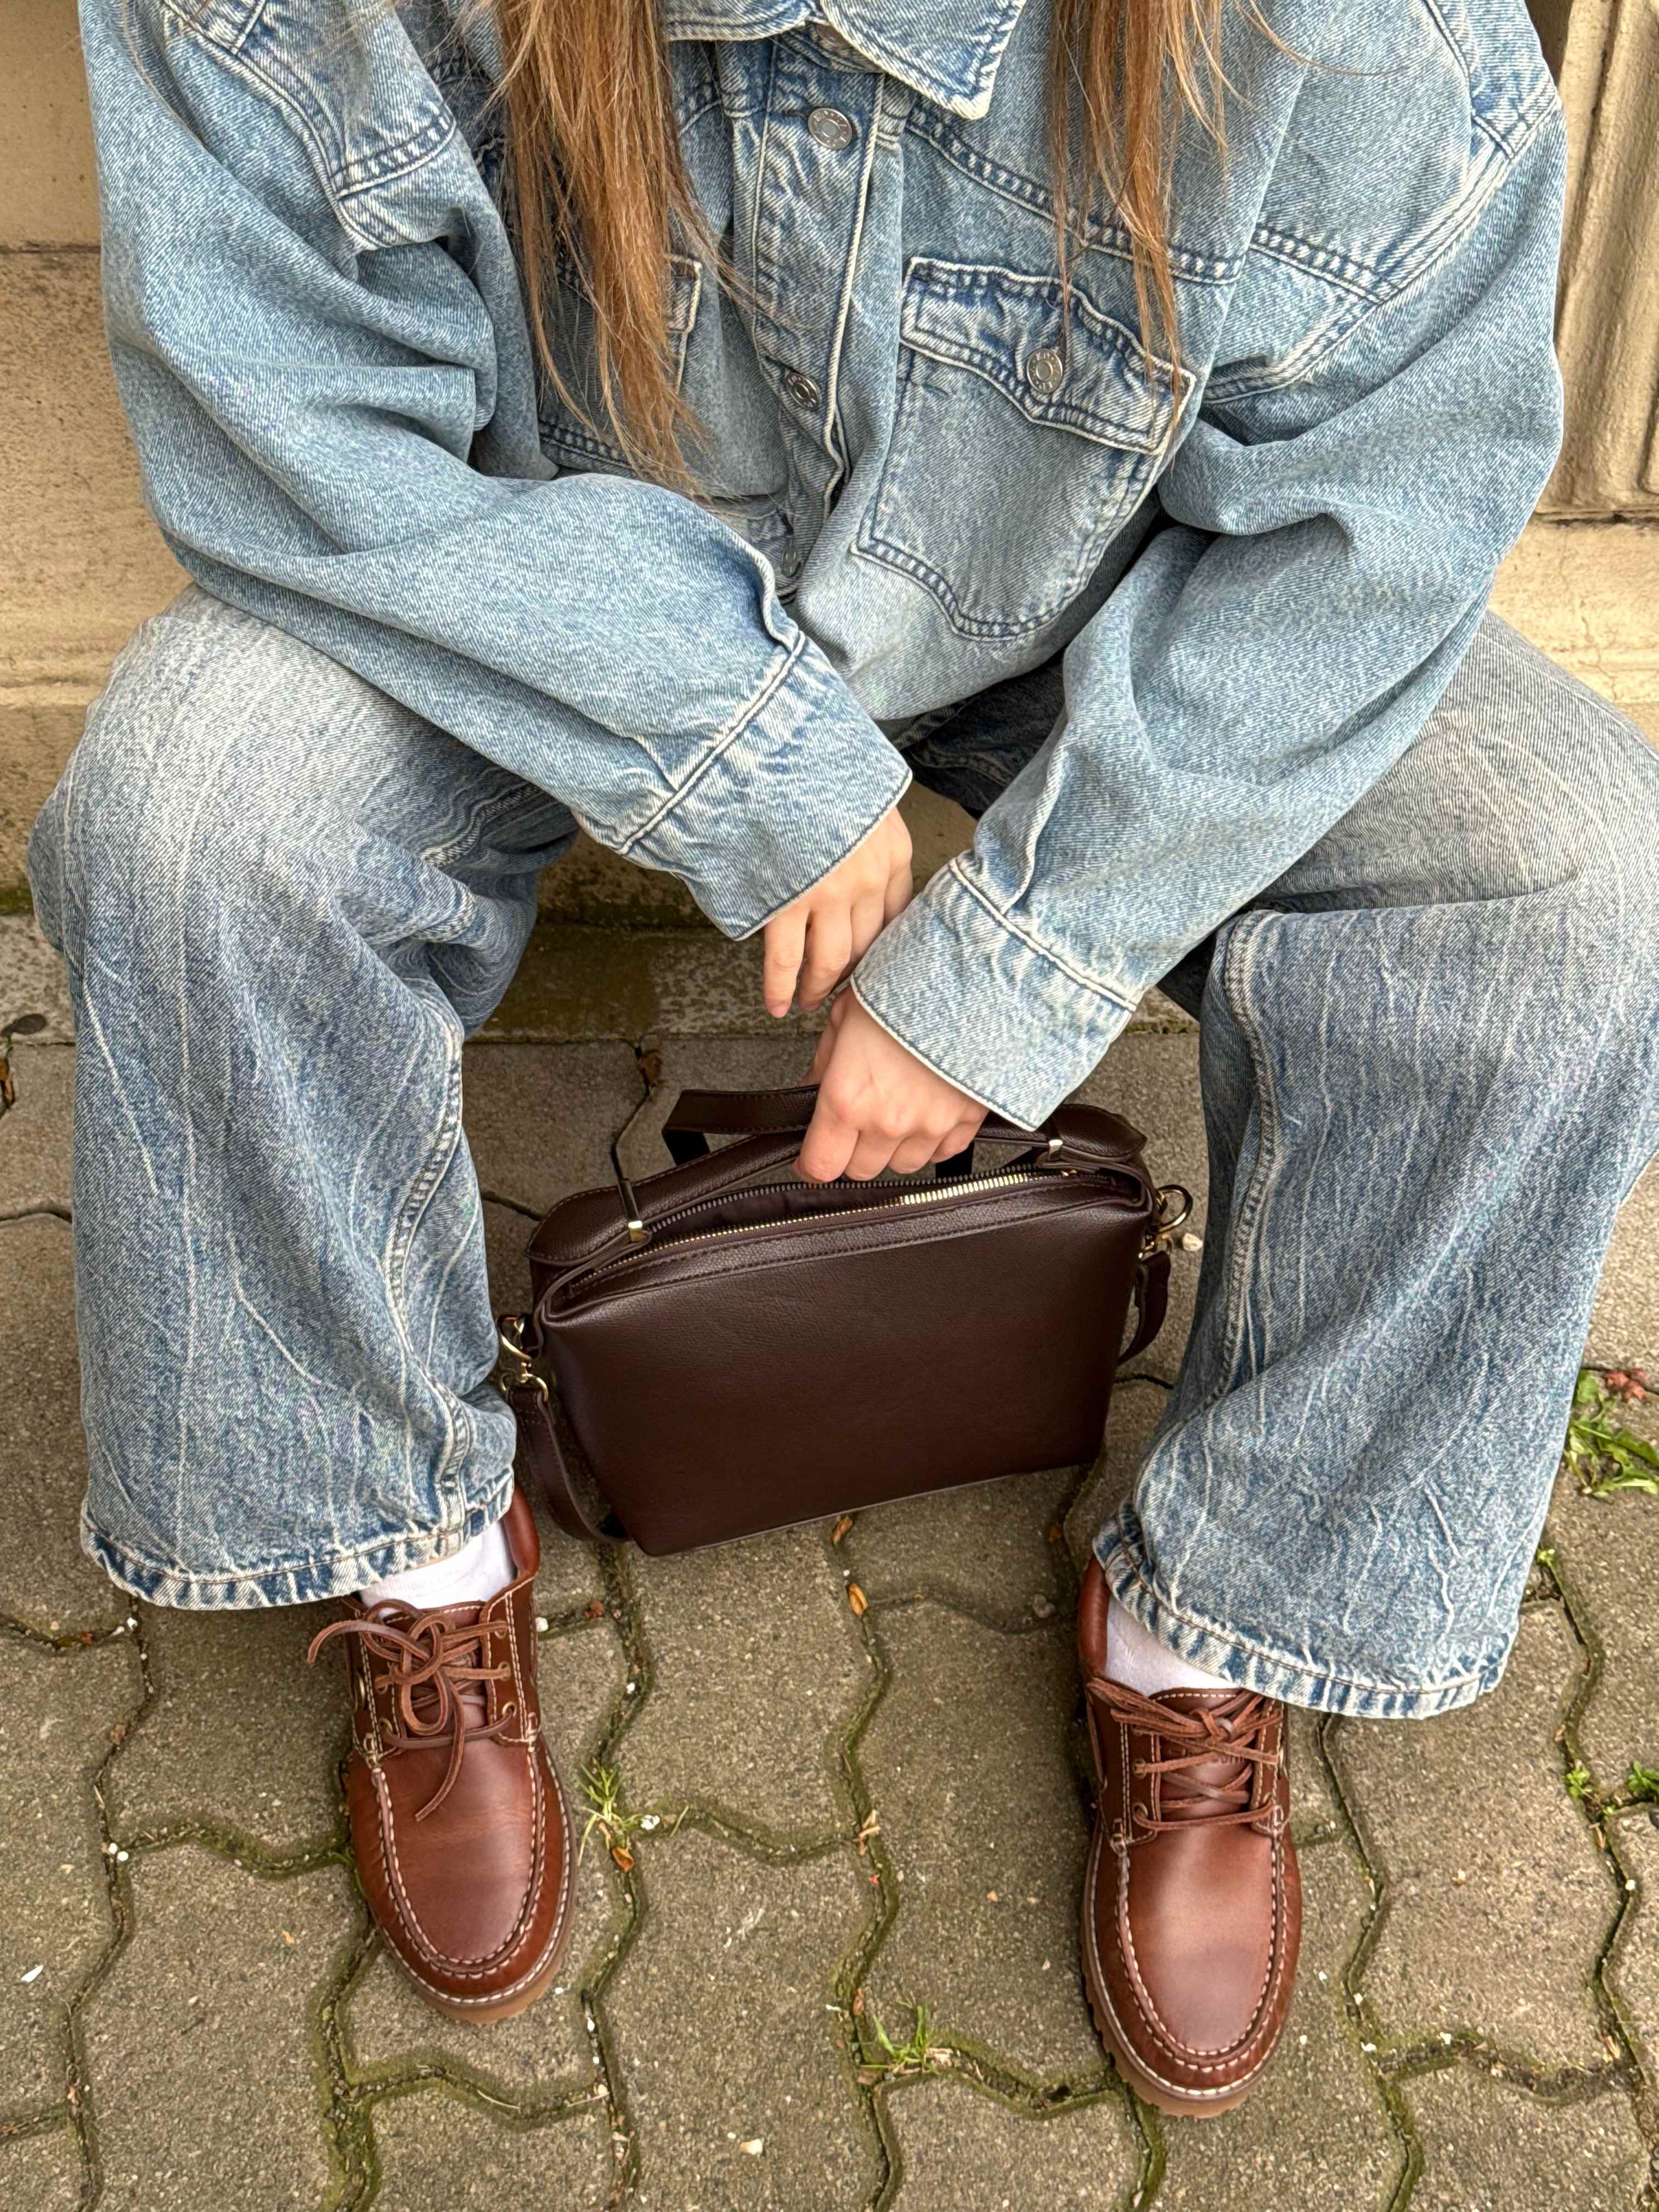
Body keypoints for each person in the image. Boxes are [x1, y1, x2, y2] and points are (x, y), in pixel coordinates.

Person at [29, 0, 1659, 2107]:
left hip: (1101, 594)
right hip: (529, 584)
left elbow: (1376, 515)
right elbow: (298, 412)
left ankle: (1220, 1625)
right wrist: (744, 757)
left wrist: (1012, 964)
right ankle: (414, 1546)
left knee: (1562, 881)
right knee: (189, 827)